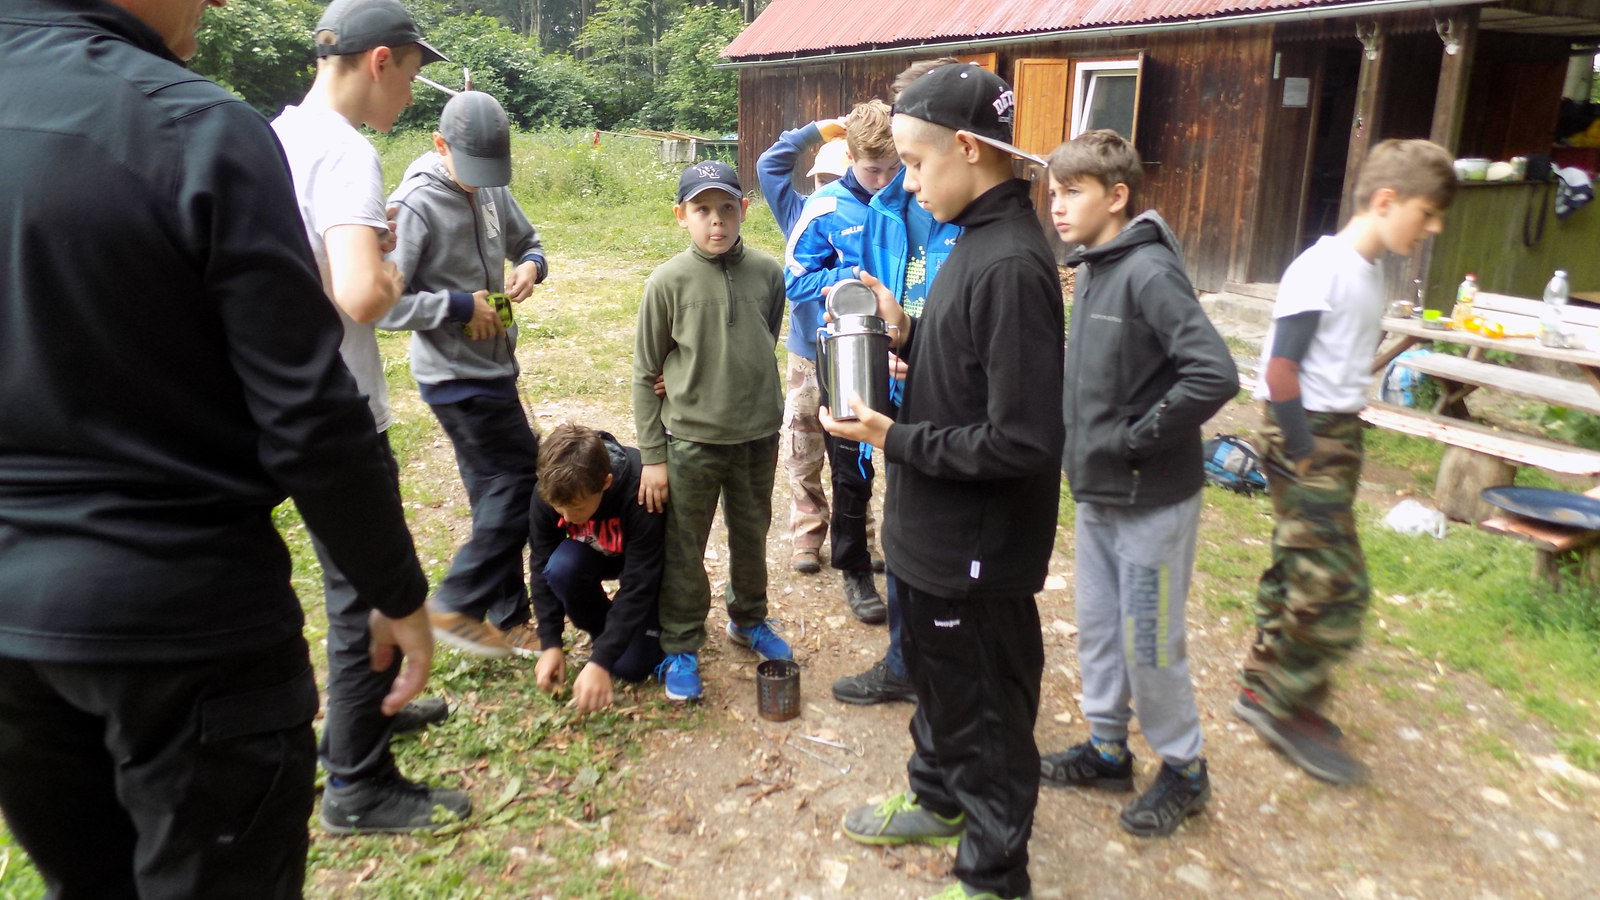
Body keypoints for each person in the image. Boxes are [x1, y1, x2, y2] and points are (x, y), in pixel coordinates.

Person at [0, 0, 432, 894]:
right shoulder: (192, 125)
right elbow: (308, 410)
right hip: (180, 621)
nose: (216, 3)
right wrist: (394, 585)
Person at [822, 64, 1064, 900]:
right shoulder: (971, 239)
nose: (910, 184)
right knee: (939, 683)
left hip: (976, 551)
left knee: (985, 711)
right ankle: (937, 798)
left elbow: (1022, 439)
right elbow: (970, 360)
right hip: (933, 538)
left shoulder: (1012, 264)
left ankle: (994, 874)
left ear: (968, 147)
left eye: (918, 164)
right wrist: (907, 333)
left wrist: (893, 436)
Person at [271, 0, 471, 832]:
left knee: (347, 581)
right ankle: (357, 781)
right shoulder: (348, 150)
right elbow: (358, 295)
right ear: (380, 60)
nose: (412, 95)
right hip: (344, 404)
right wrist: (387, 270)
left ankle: (370, 711)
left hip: (291, 394)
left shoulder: (279, 135)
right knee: (366, 593)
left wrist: (362, 246)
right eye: (414, 75)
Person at [1235, 138, 1455, 785]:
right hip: (1304, 434)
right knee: (1337, 587)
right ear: (1386, 201)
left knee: (1297, 565)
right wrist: (1305, 455)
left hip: (1336, 433)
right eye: (1428, 213)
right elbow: (1280, 371)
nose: (1434, 228)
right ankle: (1284, 703)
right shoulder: (1321, 269)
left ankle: (1260, 685)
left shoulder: (1369, 269)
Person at [1040, 129, 1240, 837]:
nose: (1057, 205)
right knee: (1098, 628)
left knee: (1149, 642)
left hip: (1151, 498)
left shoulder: (1149, 271)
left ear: (1117, 196)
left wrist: (1135, 438)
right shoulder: (1095, 265)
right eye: (1054, 192)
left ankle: (1185, 768)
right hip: (1098, 493)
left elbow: (1213, 373)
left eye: (1073, 192)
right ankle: (1107, 751)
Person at [378, 89, 549, 660]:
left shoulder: (492, 186)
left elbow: (529, 242)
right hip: (455, 379)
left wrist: (531, 267)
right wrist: (456, 306)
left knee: (492, 494)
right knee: (523, 483)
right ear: (440, 144)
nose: (480, 183)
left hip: (495, 367)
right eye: (471, 169)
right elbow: (382, 305)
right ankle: (454, 604)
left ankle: (506, 618)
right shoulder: (413, 206)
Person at [632, 160, 793, 703]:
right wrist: (653, 456)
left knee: (751, 534)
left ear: (744, 209)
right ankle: (680, 642)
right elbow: (646, 370)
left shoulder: (768, 273)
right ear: (682, 216)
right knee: (684, 546)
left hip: (756, 435)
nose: (716, 221)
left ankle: (749, 618)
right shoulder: (667, 282)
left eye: (726, 208)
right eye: (702, 210)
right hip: (691, 442)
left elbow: (764, 334)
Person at [831, 57, 964, 708]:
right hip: (897, 395)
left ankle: (944, 670)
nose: (905, 178)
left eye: (913, 158)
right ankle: (904, 661)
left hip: (951, 405)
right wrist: (886, 343)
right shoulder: (886, 209)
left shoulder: (973, 218)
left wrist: (927, 349)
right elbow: (883, 300)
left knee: (946, 540)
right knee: (902, 530)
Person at [784, 99, 902, 622]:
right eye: (873, 169)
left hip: (909, 349)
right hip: (850, 351)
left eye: (894, 168)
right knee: (851, 463)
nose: (884, 180)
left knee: (912, 461)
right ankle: (853, 567)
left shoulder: (914, 196)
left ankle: (910, 563)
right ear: (849, 157)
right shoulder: (824, 207)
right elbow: (794, 280)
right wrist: (846, 280)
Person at [530, 424, 666, 712]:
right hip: (592, 557)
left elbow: (640, 583)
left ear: (605, 482)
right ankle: (603, 630)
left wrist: (601, 660)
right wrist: (550, 642)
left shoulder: (640, 490)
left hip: (645, 567)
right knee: (560, 566)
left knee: (631, 667)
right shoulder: (549, 490)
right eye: (559, 509)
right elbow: (540, 565)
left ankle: (634, 636)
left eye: (577, 508)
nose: (567, 518)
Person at [757, 117, 850, 239]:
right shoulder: (801, 213)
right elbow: (768, 165)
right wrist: (811, 133)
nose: (830, 190)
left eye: (840, 182)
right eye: (823, 182)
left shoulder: (869, 215)